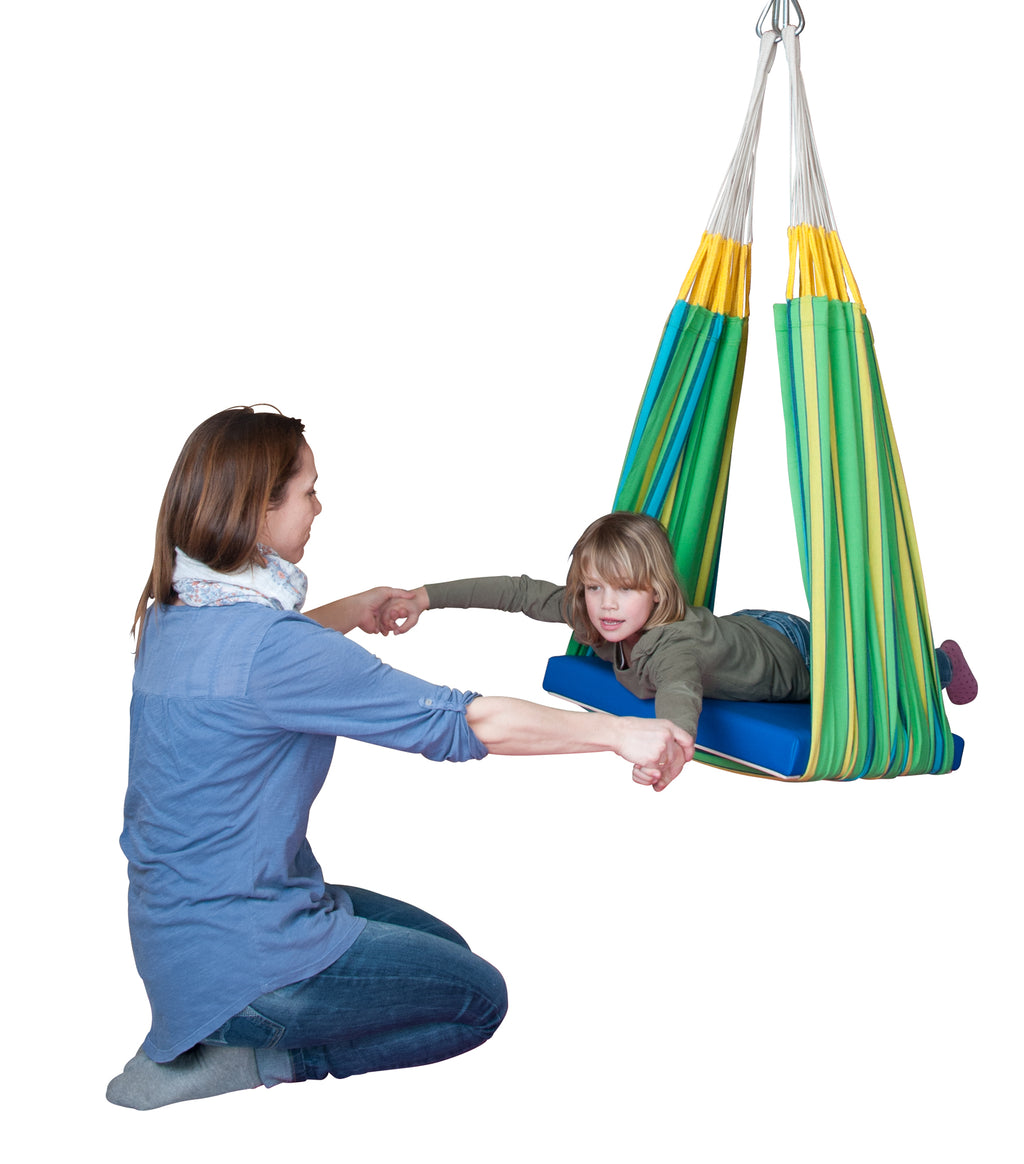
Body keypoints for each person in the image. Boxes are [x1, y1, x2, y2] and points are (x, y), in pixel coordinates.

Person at [107, 409, 691, 1112]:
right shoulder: (275, 651)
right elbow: (461, 721)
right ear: (259, 509)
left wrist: (350, 609)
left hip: (176, 938)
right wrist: (618, 735)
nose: (319, 507)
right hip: (246, 957)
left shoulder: (176, 610)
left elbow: (258, 662)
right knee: (476, 999)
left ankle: (200, 1031)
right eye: (308, 491)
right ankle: (248, 1060)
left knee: (445, 949)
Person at [376, 511, 978, 760]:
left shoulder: (672, 647)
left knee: (871, 673)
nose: (606, 606)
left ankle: (937, 664)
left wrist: (670, 752)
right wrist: (425, 597)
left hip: (795, 654)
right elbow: (515, 591)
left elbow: (680, 699)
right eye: (594, 589)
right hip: (743, 630)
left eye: (625, 590)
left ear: (657, 593)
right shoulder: (598, 614)